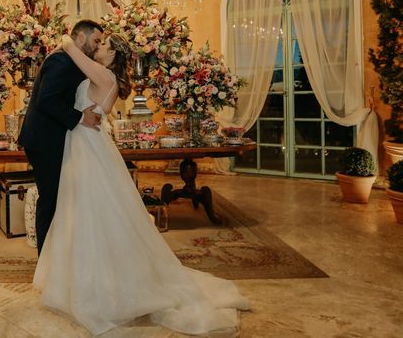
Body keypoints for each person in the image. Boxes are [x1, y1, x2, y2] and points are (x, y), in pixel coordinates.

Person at [33, 32, 250, 337]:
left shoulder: (103, 74)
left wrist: (67, 41)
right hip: (85, 144)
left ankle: (95, 284)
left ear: (113, 56)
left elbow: (72, 51)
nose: (97, 47)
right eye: (97, 42)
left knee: (88, 210)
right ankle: (88, 276)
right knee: (87, 210)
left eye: (103, 44)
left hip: (86, 147)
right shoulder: (106, 77)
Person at [18, 19, 105, 255]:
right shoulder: (61, 60)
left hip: (53, 138)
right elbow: (47, 100)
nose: (98, 46)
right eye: (96, 40)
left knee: (57, 199)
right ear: (80, 38)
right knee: (50, 200)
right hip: (44, 141)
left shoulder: (73, 61)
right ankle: (45, 260)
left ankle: (57, 258)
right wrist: (80, 117)